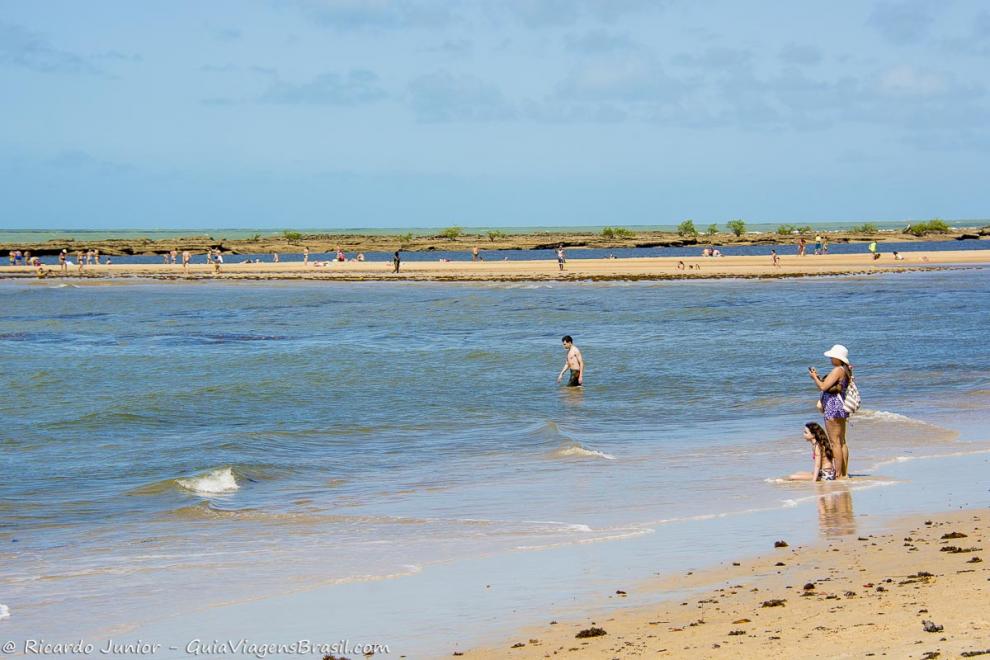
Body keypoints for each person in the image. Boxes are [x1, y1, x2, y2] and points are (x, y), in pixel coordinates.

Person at [809, 344, 853, 479]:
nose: (831, 359)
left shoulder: (837, 370)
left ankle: (839, 474)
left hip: (832, 408)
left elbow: (823, 386)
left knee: (835, 442)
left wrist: (814, 377)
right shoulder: (846, 370)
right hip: (841, 406)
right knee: (842, 441)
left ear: (838, 358)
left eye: (832, 357)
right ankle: (844, 472)